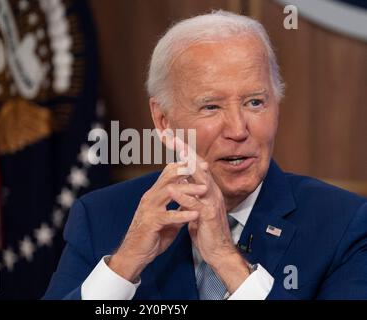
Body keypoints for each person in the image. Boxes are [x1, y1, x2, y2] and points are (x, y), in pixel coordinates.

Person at [43, 10, 367, 300]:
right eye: (211, 106)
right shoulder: (101, 217)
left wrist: (227, 259)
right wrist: (124, 265)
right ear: (163, 121)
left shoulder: (343, 225)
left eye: (255, 102)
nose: (239, 129)